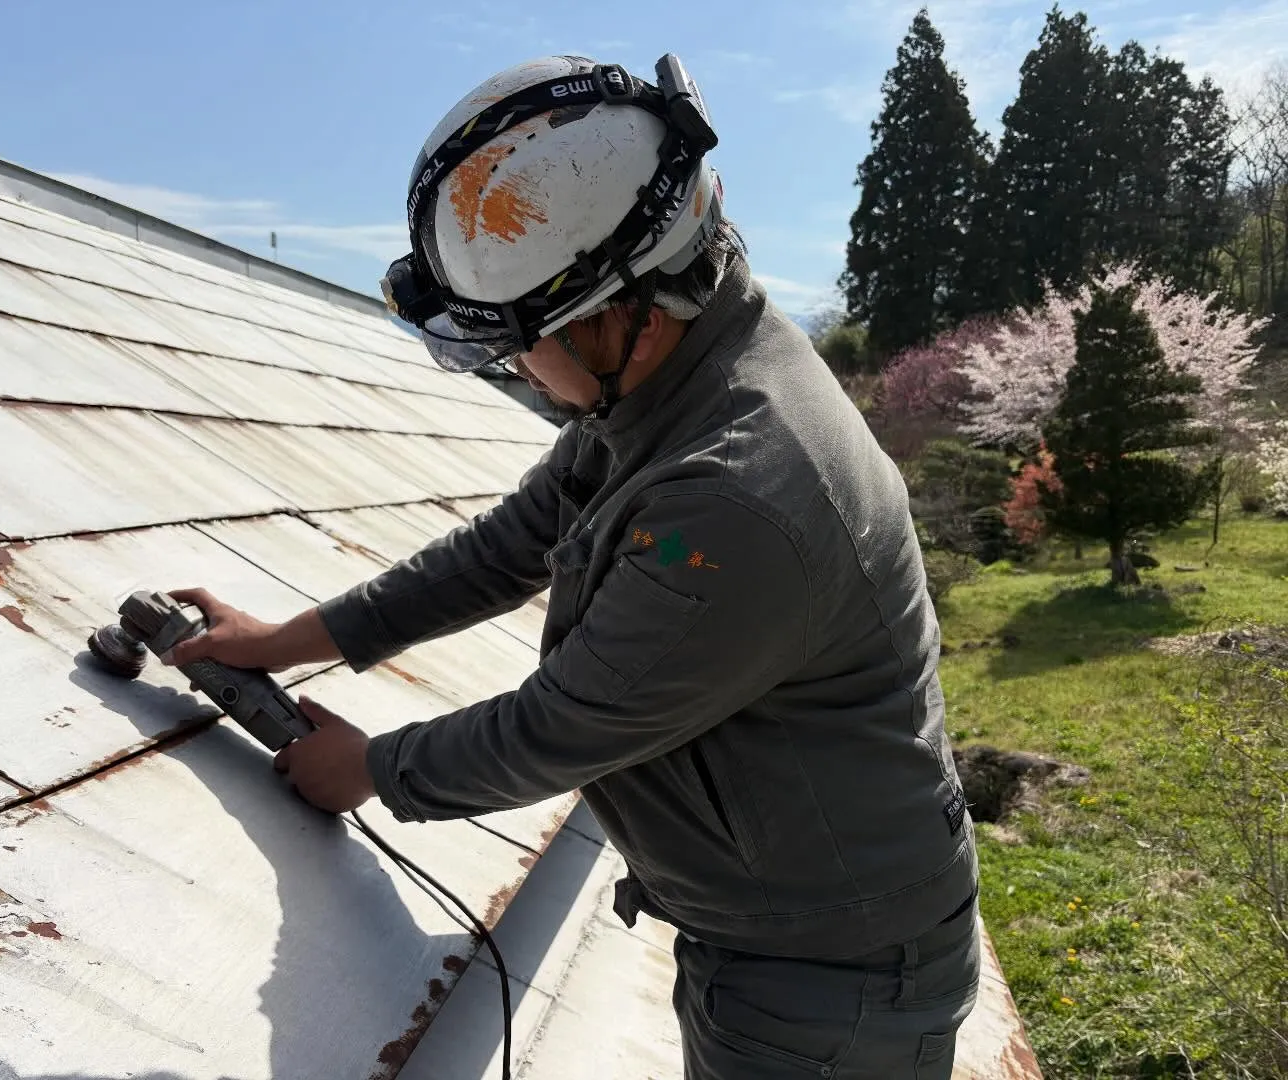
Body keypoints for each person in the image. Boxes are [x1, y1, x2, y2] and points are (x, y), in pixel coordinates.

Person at [165, 53, 981, 1079]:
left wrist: (372, 771)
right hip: (798, 929)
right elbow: (507, 548)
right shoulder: (676, 380)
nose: (519, 375)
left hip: (827, 977)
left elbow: (562, 726)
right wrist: (285, 640)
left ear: (609, 312)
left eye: (513, 348)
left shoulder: (732, 494)